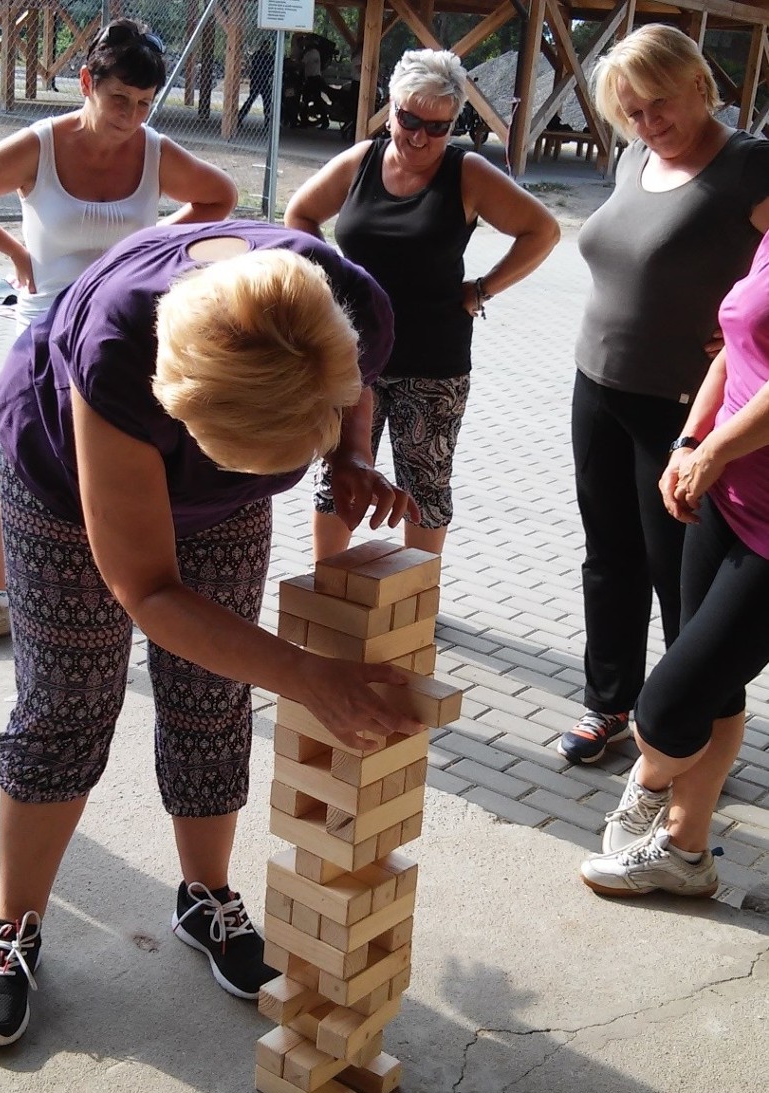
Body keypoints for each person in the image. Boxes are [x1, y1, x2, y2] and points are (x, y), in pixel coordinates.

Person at [0, 219, 423, 1049]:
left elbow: (362, 387)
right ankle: (13, 925)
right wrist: (309, 675)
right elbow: (147, 588)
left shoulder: (346, 303)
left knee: (214, 694)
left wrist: (348, 453)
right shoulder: (117, 350)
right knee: (68, 704)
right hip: (69, 491)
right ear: (182, 402)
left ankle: (204, 897)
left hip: (218, 511)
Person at [0, 18, 237, 655]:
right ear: (87, 82)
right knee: (10, 454)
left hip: (120, 332)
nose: (131, 117)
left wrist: (152, 249)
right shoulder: (40, 145)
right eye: (119, 99)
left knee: (132, 456)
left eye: (145, 104)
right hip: (44, 331)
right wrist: (13, 251)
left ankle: (130, 592)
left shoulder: (153, 149)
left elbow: (219, 198)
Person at [556, 25, 769, 764]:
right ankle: (608, 702)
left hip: (683, 403)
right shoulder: (634, 158)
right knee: (607, 555)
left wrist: (740, 337)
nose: (648, 124)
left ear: (698, 85)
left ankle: (695, 733)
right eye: (631, 113)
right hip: (598, 384)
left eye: (658, 105)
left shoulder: (751, 167)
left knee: (682, 577)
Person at [284, 48, 559, 559]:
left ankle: (417, 601)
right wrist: (327, 284)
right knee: (338, 473)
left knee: (426, 485)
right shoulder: (361, 162)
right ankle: (326, 592)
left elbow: (542, 230)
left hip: (432, 364)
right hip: (354, 356)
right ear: (391, 109)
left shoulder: (467, 173)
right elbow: (299, 215)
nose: (419, 136)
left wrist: (482, 289)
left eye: (438, 127)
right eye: (409, 119)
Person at [580, 228, 769, 896]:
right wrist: (690, 443)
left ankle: (649, 781)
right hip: (726, 499)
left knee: (662, 712)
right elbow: (735, 352)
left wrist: (712, 451)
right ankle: (686, 854)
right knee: (716, 690)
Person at [238, 39, 274, 129]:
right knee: (256, 100)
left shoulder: (260, 56)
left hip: (260, 80)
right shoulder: (263, 56)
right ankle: (240, 117)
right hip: (260, 80)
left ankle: (267, 121)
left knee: (265, 102)